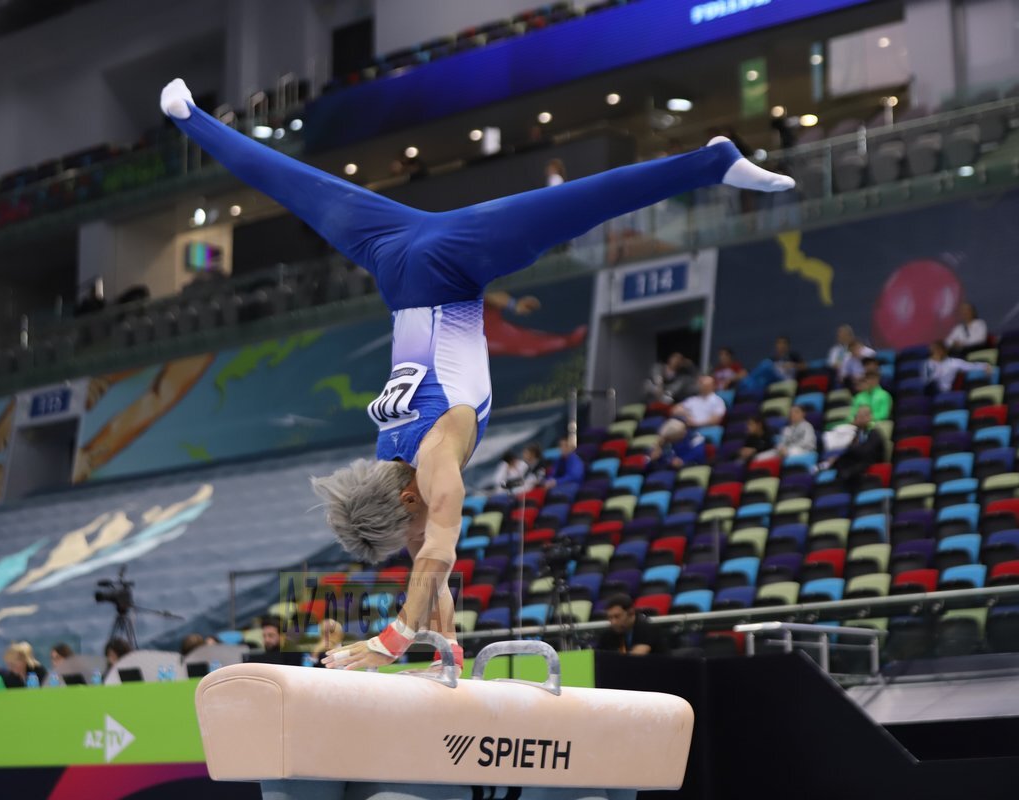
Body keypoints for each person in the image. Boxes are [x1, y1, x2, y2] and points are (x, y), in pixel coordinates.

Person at [159, 77, 793, 672]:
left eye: (406, 529)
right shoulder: (393, 469)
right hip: (394, 262)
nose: (412, 539)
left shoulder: (436, 461)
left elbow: (437, 554)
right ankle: (190, 119)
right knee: (301, 188)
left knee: (575, 205)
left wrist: (389, 644)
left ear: (405, 500)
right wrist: (448, 647)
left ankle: (713, 162)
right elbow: (430, 563)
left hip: (448, 265)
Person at [822, 406, 885, 493]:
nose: (859, 418)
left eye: (863, 416)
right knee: (840, 463)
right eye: (858, 416)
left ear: (869, 417)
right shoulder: (856, 433)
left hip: (869, 461)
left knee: (850, 471)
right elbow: (850, 449)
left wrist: (852, 450)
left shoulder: (874, 433)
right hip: (856, 460)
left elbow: (867, 451)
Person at [595, 595, 666, 655]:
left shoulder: (648, 628)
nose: (613, 622)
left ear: (631, 612)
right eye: (610, 617)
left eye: (617, 616)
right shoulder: (609, 634)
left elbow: (635, 659)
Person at [925, 340, 992, 393]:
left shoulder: (954, 363)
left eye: (936, 351)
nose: (933, 354)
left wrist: (984, 366)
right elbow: (927, 380)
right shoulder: (929, 363)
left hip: (946, 392)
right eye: (932, 352)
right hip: (931, 391)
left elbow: (970, 366)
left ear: (943, 351)